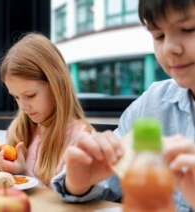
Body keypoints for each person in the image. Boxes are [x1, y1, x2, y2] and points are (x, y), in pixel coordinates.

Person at [51, 0, 195, 211]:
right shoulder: (152, 104)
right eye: (159, 36)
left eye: (188, 29)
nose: (170, 49)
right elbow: (109, 184)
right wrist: (78, 183)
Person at [0, 33, 93, 187]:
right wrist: (5, 170)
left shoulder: (80, 138)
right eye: (16, 97)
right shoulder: (18, 130)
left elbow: (72, 199)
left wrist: (21, 173)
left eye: (30, 95)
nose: (23, 107)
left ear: (55, 85)